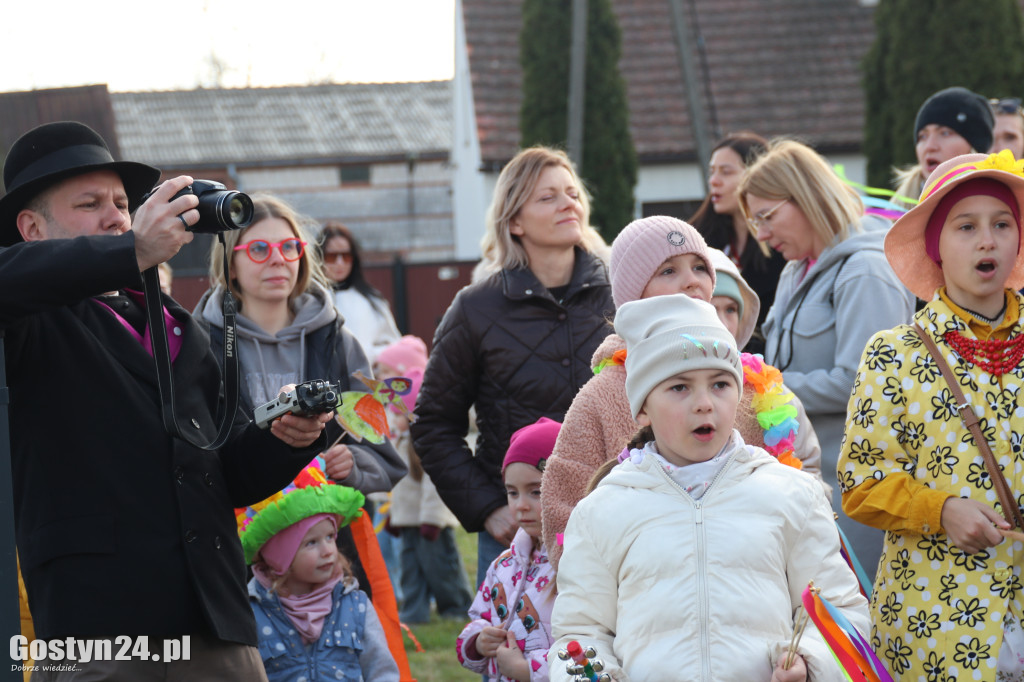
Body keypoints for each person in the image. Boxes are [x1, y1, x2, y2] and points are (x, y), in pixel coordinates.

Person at [0, 121, 333, 679]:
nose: (116, 216)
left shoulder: (180, 328)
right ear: (31, 228)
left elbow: (223, 473)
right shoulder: (31, 320)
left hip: (216, 619)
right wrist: (130, 250)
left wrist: (285, 438)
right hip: (98, 629)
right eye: (90, 203)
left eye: (122, 204)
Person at [549, 294, 869, 681]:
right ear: (643, 408)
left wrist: (810, 663)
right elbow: (580, 633)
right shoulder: (603, 510)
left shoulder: (792, 495)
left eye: (719, 384)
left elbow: (840, 612)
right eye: (679, 388)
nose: (704, 403)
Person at [540, 216, 825, 570]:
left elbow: (801, 481)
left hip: (749, 585)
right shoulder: (600, 397)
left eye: (699, 267)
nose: (690, 280)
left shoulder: (753, 388)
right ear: (633, 295)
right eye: (668, 271)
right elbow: (563, 509)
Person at [839, 151, 1024, 680]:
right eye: (966, 226)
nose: (987, 240)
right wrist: (941, 510)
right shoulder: (893, 352)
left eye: (1002, 223)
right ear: (935, 246)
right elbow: (860, 482)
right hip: (938, 626)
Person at [411, 146, 614, 586]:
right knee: (519, 655)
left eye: (572, 193)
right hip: (519, 535)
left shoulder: (623, 295)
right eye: (548, 198)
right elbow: (432, 424)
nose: (568, 204)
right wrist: (486, 507)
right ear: (515, 221)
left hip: (615, 517)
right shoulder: (475, 308)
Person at [738, 139, 916, 578]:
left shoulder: (866, 269)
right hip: (807, 486)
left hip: (856, 494)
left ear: (807, 197)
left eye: (767, 216)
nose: (760, 234)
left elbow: (864, 382)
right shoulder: (795, 270)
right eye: (754, 220)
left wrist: (763, 387)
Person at [198, 195, 406, 497]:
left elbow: (382, 454)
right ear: (230, 265)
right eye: (259, 249)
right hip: (238, 535)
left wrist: (354, 463)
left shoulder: (337, 342)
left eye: (288, 247)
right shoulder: (200, 344)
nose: (278, 259)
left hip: (324, 534)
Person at [239, 459, 400, 682]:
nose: (327, 551)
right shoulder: (252, 612)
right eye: (311, 543)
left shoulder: (356, 606)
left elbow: (381, 672)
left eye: (329, 537)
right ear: (279, 556)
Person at [375, 335, 473, 624]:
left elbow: (434, 486)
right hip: (406, 521)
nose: (396, 419)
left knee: (441, 566)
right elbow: (398, 485)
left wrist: (433, 518)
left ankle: (455, 607)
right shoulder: (401, 441)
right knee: (410, 569)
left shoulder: (424, 447)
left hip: (429, 522)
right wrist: (393, 516)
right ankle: (413, 612)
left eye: (399, 412)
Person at [457, 418, 559, 682]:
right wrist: (479, 640)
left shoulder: (578, 564)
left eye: (535, 492)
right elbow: (481, 616)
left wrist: (529, 672)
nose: (520, 505)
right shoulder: (504, 564)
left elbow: (591, 649)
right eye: (512, 493)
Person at [689, 131, 784, 353]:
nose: (714, 180)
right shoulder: (698, 239)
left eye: (726, 172)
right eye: (712, 172)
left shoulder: (782, 245)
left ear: (758, 175)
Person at [894, 86, 994, 207]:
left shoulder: (1001, 211)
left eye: (945, 133)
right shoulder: (890, 219)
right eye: (922, 136)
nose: (929, 146)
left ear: (975, 149)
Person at [318, 220, 400, 363]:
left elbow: (394, 345)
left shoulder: (373, 301)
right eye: (332, 256)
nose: (340, 263)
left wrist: (369, 354)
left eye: (346, 256)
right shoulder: (311, 301)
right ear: (319, 257)